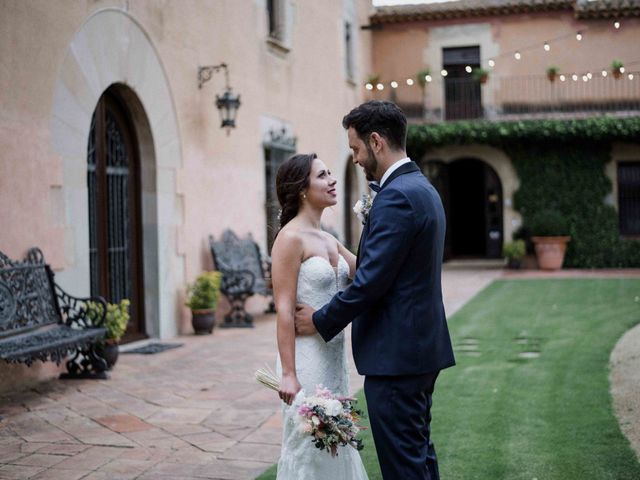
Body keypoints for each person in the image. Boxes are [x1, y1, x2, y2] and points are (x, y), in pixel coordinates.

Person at [295, 100, 456, 480]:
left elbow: (370, 284)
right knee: (418, 456)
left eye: (355, 149)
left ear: (376, 141)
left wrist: (319, 321)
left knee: (404, 468)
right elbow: (388, 268)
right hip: (418, 350)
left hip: (398, 355)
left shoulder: (397, 197)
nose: (353, 159)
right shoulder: (421, 188)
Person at [271, 153, 368, 479]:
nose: (333, 180)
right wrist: (288, 373)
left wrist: (376, 221)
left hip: (335, 359)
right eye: (323, 175)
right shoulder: (289, 239)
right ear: (301, 189)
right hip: (306, 359)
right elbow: (284, 309)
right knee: (309, 448)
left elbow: (368, 275)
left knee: (339, 443)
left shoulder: (329, 239)